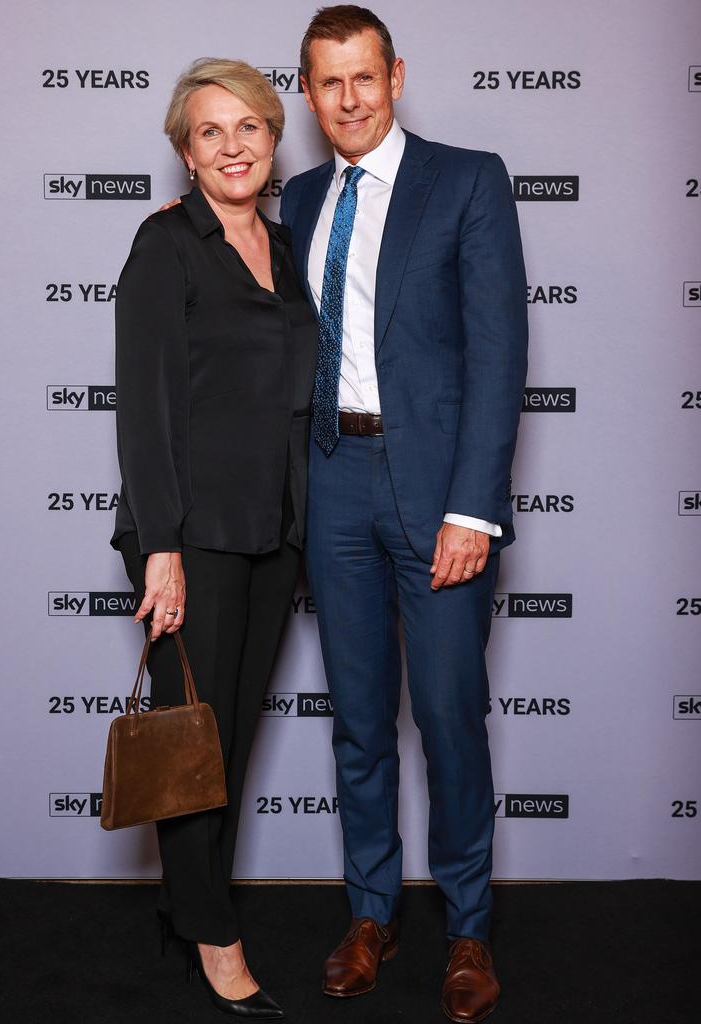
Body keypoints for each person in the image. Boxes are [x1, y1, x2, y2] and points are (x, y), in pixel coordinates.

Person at [279, 6, 528, 1021]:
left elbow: (500, 353)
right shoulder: (295, 198)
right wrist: (183, 219)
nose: (348, 99)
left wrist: (474, 507)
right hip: (330, 479)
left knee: (451, 719)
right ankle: (371, 912)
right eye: (328, 82)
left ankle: (467, 927)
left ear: (396, 75)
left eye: (364, 78)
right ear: (307, 90)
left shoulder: (467, 179)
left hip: (436, 495)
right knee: (357, 722)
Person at [112, 58, 317, 1020]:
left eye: (250, 128)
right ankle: (214, 935)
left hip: (274, 529)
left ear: (275, 138)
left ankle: (186, 908)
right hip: (189, 535)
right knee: (196, 741)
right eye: (209, 132)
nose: (232, 146)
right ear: (185, 153)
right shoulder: (166, 247)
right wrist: (161, 547)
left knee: (228, 740)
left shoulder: (283, 244)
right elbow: (145, 412)